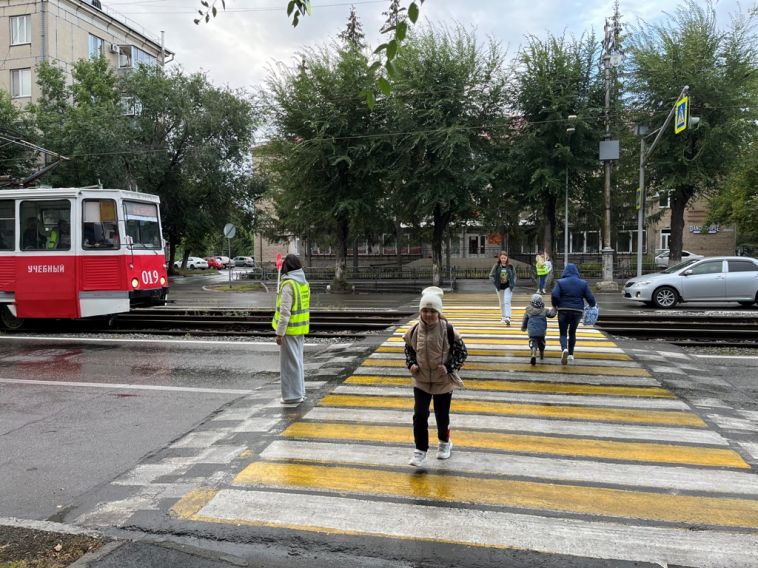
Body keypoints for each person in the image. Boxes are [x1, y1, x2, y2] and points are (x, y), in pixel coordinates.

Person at [404, 290, 468, 468]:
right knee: (420, 415)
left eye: (432, 311)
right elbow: (408, 349)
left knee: (441, 416)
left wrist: (448, 367)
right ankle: (420, 451)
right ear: (420, 311)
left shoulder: (448, 329)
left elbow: (463, 353)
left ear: (439, 312)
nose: (428, 314)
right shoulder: (415, 329)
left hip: (443, 382)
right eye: (425, 310)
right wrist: (411, 365)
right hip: (421, 380)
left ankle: (444, 443)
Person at [271, 254, 311, 404]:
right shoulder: (303, 283)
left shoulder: (289, 284)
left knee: (289, 365)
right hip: (300, 328)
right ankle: (300, 392)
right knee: (298, 362)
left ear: (287, 267)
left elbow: (285, 312)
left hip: (289, 330)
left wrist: (279, 333)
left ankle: (291, 396)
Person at [550, 263, 596, 365]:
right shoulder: (583, 283)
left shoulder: (560, 282)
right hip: (577, 311)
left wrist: (555, 304)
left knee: (563, 332)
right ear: (576, 272)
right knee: (572, 332)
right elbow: (590, 298)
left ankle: (564, 349)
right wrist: (593, 305)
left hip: (563, 310)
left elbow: (554, 294)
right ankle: (570, 354)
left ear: (565, 271)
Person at [521, 293, 556, 365]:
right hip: (541, 331)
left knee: (533, 342)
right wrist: (555, 308)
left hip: (532, 331)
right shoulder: (544, 310)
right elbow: (551, 315)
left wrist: (524, 327)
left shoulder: (528, 309)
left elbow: (525, 319)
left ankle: (533, 354)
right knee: (541, 342)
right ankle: (542, 354)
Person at [489, 251, 516, 325]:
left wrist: (513, 283)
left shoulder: (510, 266)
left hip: (508, 286)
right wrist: (496, 282)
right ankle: (503, 316)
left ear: (507, 258)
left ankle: (508, 317)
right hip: (499, 287)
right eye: (502, 258)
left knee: (507, 301)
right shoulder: (496, 266)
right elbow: (491, 275)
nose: (503, 259)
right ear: (500, 258)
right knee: (502, 302)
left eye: (504, 258)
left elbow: (514, 276)